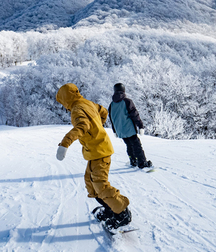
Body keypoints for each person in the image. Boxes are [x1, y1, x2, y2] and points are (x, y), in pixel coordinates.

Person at [55, 83, 132, 230]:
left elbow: (82, 126)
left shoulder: (77, 109)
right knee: (91, 183)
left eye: (63, 102)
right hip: (96, 150)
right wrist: (99, 127)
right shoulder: (87, 103)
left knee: (100, 185)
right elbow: (103, 111)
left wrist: (64, 144)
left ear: (66, 99)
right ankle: (110, 208)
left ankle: (122, 212)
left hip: (100, 151)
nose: (64, 107)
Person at [108, 83, 153, 169]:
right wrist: (140, 126)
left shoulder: (111, 105)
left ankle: (133, 160)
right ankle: (142, 163)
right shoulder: (127, 101)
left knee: (129, 145)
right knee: (136, 145)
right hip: (129, 128)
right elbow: (135, 115)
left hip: (120, 130)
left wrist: (115, 131)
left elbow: (112, 119)